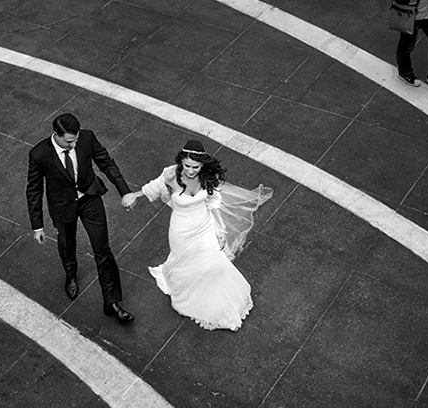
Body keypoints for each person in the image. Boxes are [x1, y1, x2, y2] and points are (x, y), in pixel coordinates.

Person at [123, 139, 272, 331]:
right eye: (187, 166)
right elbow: (152, 187)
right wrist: (134, 196)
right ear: (181, 161)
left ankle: (216, 297)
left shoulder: (207, 177)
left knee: (213, 261)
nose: (191, 171)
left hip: (203, 226)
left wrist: (221, 230)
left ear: (202, 165)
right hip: (181, 230)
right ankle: (187, 297)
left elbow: (213, 202)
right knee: (185, 262)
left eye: (196, 167)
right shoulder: (170, 174)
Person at [26, 113, 135, 322]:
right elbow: (34, 190)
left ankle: (111, 302)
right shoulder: (39, 154)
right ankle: (71, 275)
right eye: (69, 141)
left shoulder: (86, 138)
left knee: (102, 249)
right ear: (56, 135)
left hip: (89, 199)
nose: (74, 143)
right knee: (67, 245)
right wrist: (37, 226)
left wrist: (125, 191)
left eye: (76, 139)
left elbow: (107, 163)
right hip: (62, 206)